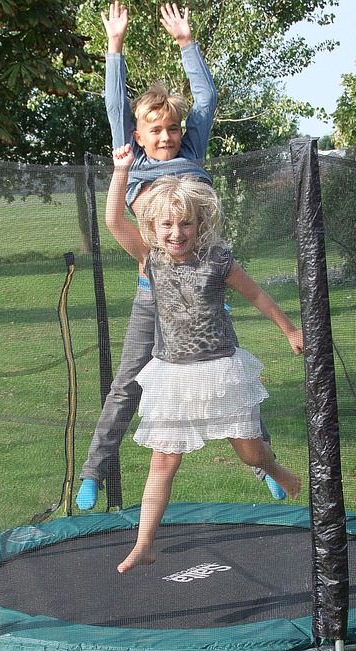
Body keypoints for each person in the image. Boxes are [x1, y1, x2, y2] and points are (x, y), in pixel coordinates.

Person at [76, 2, 283, 510]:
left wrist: (187, 44)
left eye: (171, 127)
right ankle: (94, 472)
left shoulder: (193, 153)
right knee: (127, 383)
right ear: (139, 135)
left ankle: (263, 465)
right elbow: (113, 104)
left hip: (203, 291)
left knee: (228, 377)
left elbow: (207, 97)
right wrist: (115, 48)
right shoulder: (132, 158)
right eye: (155, 130)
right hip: (154, 292)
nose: (165, 136)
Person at [106, 144, 303, 572]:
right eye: (167, 225)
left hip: (219, 370)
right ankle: (144, 543)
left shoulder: (218, 260)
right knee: (163, 460)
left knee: (249, 453)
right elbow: (113, 222)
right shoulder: (151, 260)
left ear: (200, 224)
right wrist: (122, 171)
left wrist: (289, 330)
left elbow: (257, 295)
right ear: (154, 228)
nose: (176, 233)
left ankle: (274, 468)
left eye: (185, 224)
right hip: (173, 374)